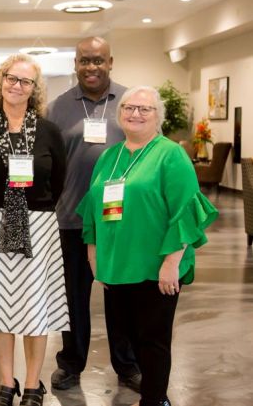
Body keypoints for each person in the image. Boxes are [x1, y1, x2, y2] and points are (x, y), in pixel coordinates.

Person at [76, 86, 218, 406]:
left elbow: (186, 209)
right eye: (129, 107)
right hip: (116, 265)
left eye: (145, 109)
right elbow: (93, 207)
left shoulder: (170, 154)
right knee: (128, 337)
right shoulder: (109, 157)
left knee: (153, 341)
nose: (135, 114)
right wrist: (93, 251)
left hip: (156, 265)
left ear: (158, 116)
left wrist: (172, 261)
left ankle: (154, 400)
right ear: (119, 113)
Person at [0, 54, 69, 406]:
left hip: (38, 227)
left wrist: (31, 210)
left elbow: (59, 181)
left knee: (35, 309)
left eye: (25, 81)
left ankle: (34, 386)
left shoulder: (50, 132)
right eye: (11, 78)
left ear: (34, 89)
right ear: (0, 81)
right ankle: (7, 383)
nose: (16, 85)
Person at [47, 36, 141, 391]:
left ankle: (128, 365)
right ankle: (71, 363)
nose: (91, 67)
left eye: (98, 60)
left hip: (119, 221)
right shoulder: (58, 108)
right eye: (84, 60)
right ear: (75, 63)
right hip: (71, 219)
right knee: (72, 299)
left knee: (121, 296)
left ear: (111, 62)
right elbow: (51, 163)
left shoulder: (129, 102)